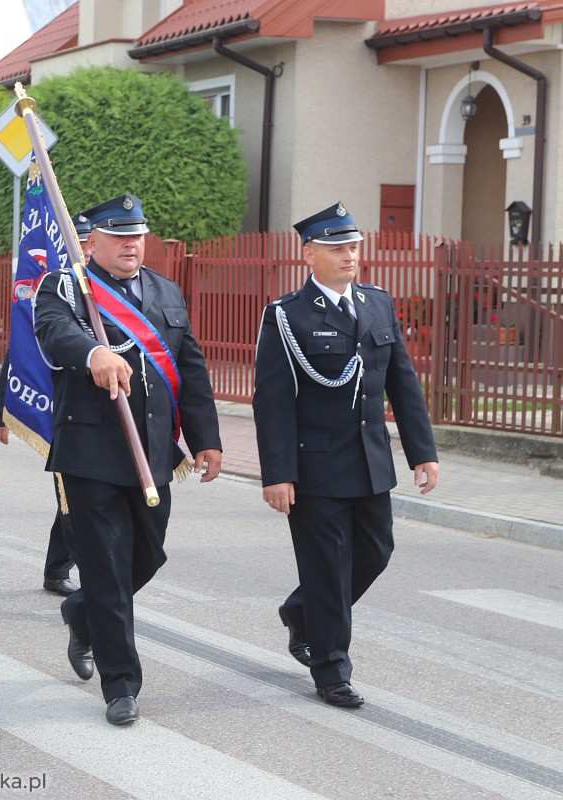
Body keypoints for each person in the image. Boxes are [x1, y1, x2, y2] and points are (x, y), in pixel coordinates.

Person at [34, 194, 222, 726]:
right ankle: (121, 684)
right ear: (91, 241)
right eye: (119, 236)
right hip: (91, 454)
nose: (131, 245)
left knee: (147, 555)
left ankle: (82, 613)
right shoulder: (67, 286)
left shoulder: (165, 290)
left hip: (154, 452)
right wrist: (94, 352)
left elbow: (191, 365)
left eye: (137, 235)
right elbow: (53, 331)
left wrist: (206, 437)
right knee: (108, 567)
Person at [253, 202, 440, 708]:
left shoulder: (377, 303)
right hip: (314, 466)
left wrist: (422, 451)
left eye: (353, 246)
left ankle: (302, 611)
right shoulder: (287, 316)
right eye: (337, 248)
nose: (349, 255)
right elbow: (272, 400)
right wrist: (278, 473)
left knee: (375, 553)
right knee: (329, 567)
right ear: (309, 254)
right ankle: (331, 668)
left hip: (369, 461)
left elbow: (402, 381)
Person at [0, 211, 93, 598]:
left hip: (98, 406)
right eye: (74, 243)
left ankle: (60, 564)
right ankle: (63, 567)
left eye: (84, 243)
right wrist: (3, 411)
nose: (79, 250)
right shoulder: (53, 289)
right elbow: (23, 352)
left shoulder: (109, 290)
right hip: (59, 406)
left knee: (82, 495)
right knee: (72, 492)